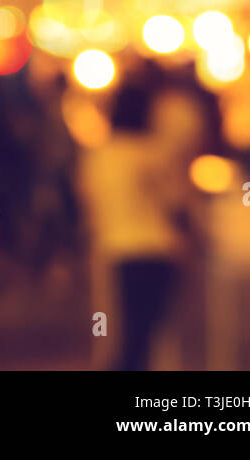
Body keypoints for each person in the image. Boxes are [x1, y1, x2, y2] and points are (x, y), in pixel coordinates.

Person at [79, 75, 192, 370]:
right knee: (146, 333)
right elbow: (178, 204)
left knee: (118, 332)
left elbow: (87, 204)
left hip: (113, 248)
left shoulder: (98, 157)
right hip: (156, 249)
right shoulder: (154, 154)